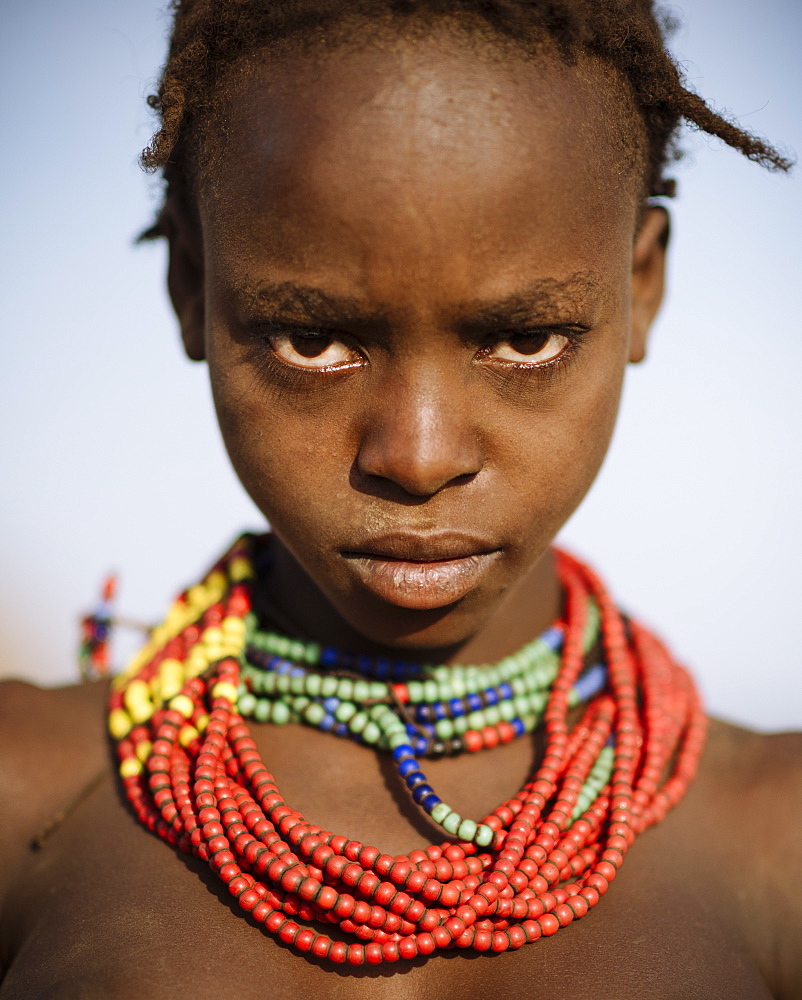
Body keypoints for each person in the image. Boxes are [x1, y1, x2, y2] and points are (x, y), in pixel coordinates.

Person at [1, 1, 800, 997]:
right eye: (310, 342)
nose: (418, 457)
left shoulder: (777, 841)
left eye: (525, 339)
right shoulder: (28, 797)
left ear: (638, 287)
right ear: (190, 286)